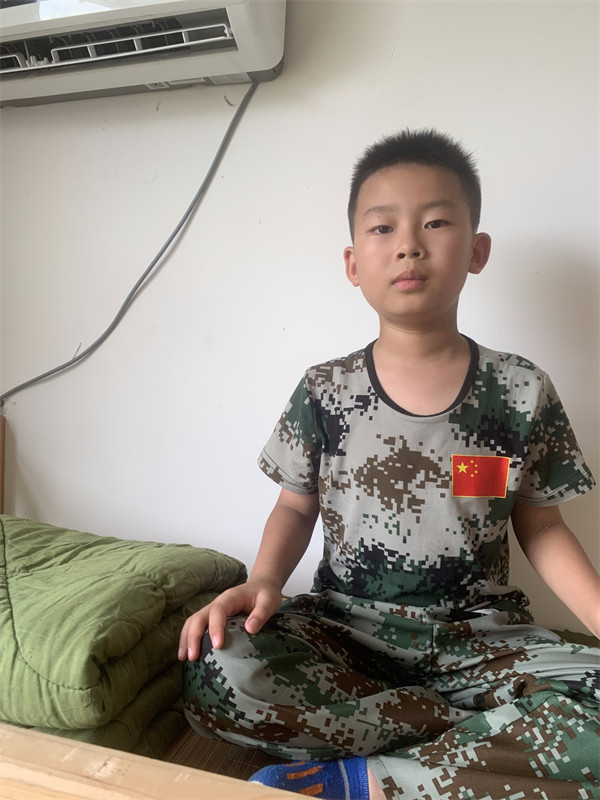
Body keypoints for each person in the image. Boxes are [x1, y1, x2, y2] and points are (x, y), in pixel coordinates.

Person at [178, 129, 600, 800]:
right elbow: (295, 505)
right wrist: (263, 580)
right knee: (219, 665)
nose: (409, 244)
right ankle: (477, 747)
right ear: (353, 262)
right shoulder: (324, 390)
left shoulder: (522, 390)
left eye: (435, 222)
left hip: (481, 641)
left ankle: (366, 778)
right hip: (348, 633)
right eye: (383, 228)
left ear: (477, 250)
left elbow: (543, 527)